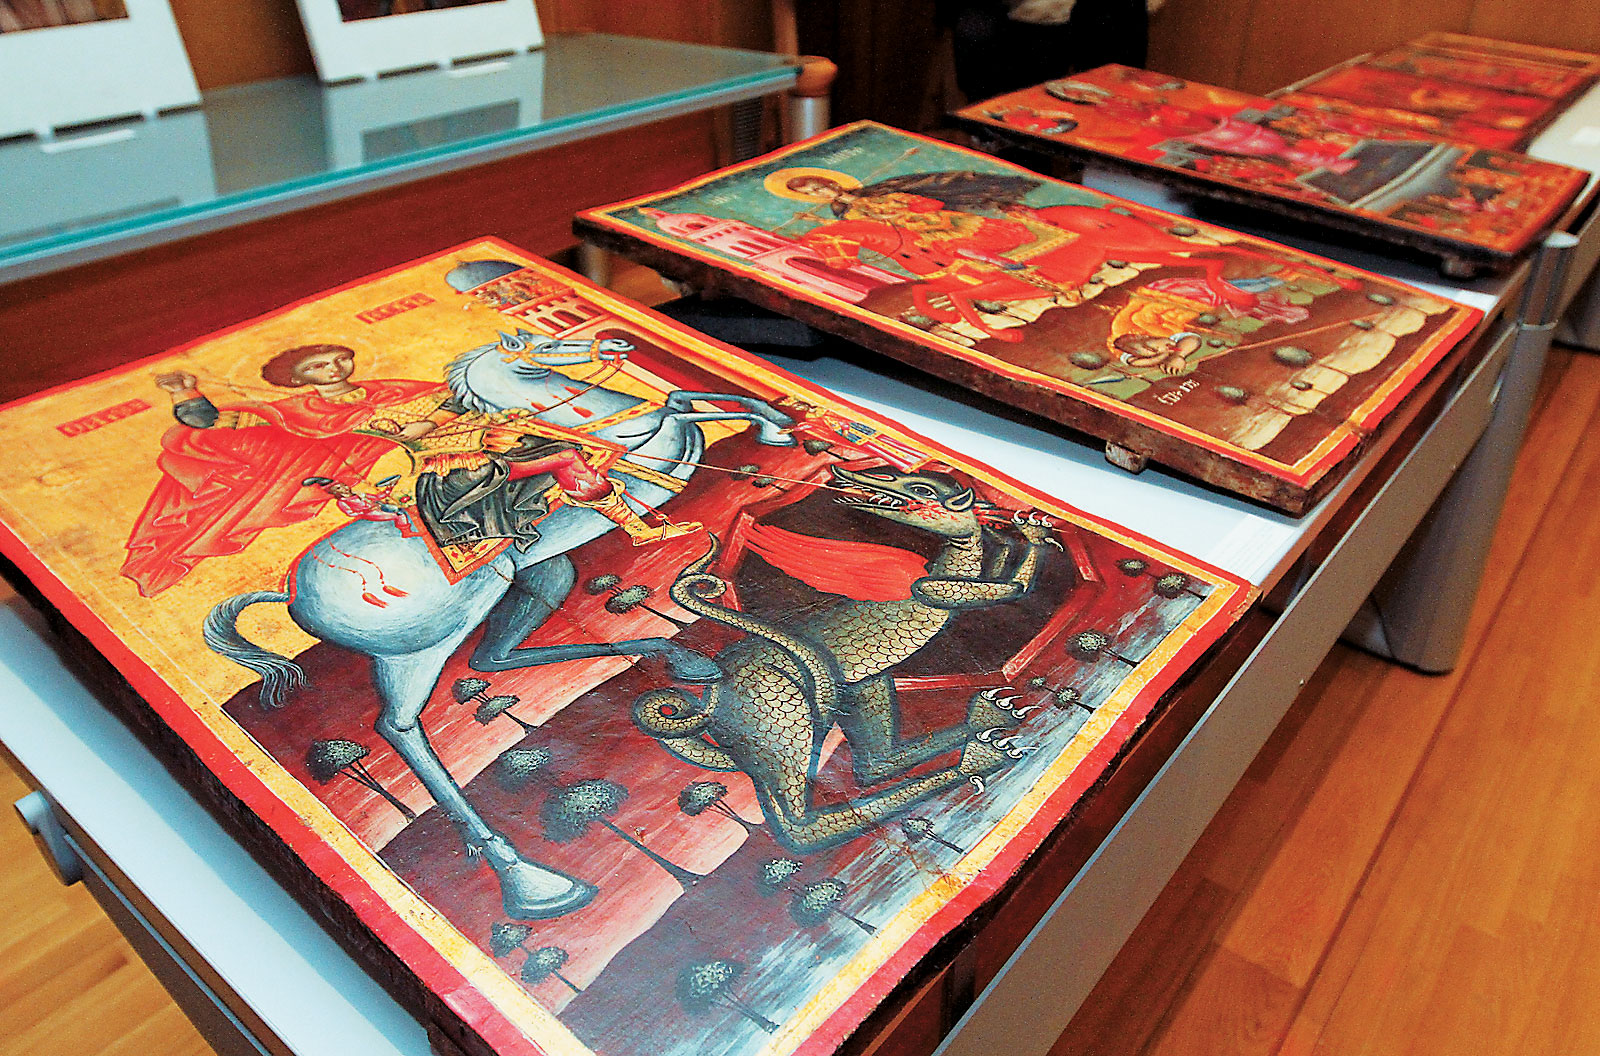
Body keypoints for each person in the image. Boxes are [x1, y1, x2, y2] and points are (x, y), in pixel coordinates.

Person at [122, 344, 696, 596]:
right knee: (565, 457)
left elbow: (456, 401)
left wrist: (475, 414)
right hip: (446, 473)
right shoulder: (300, 413)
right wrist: (185, 394)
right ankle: (638, 526)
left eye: (338, 358)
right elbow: (213, 422)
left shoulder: (391, 390)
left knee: (565, 442)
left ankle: (626, 516)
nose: (333, 368)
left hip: (479, 444)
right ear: (299, 379)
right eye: (318, 366)